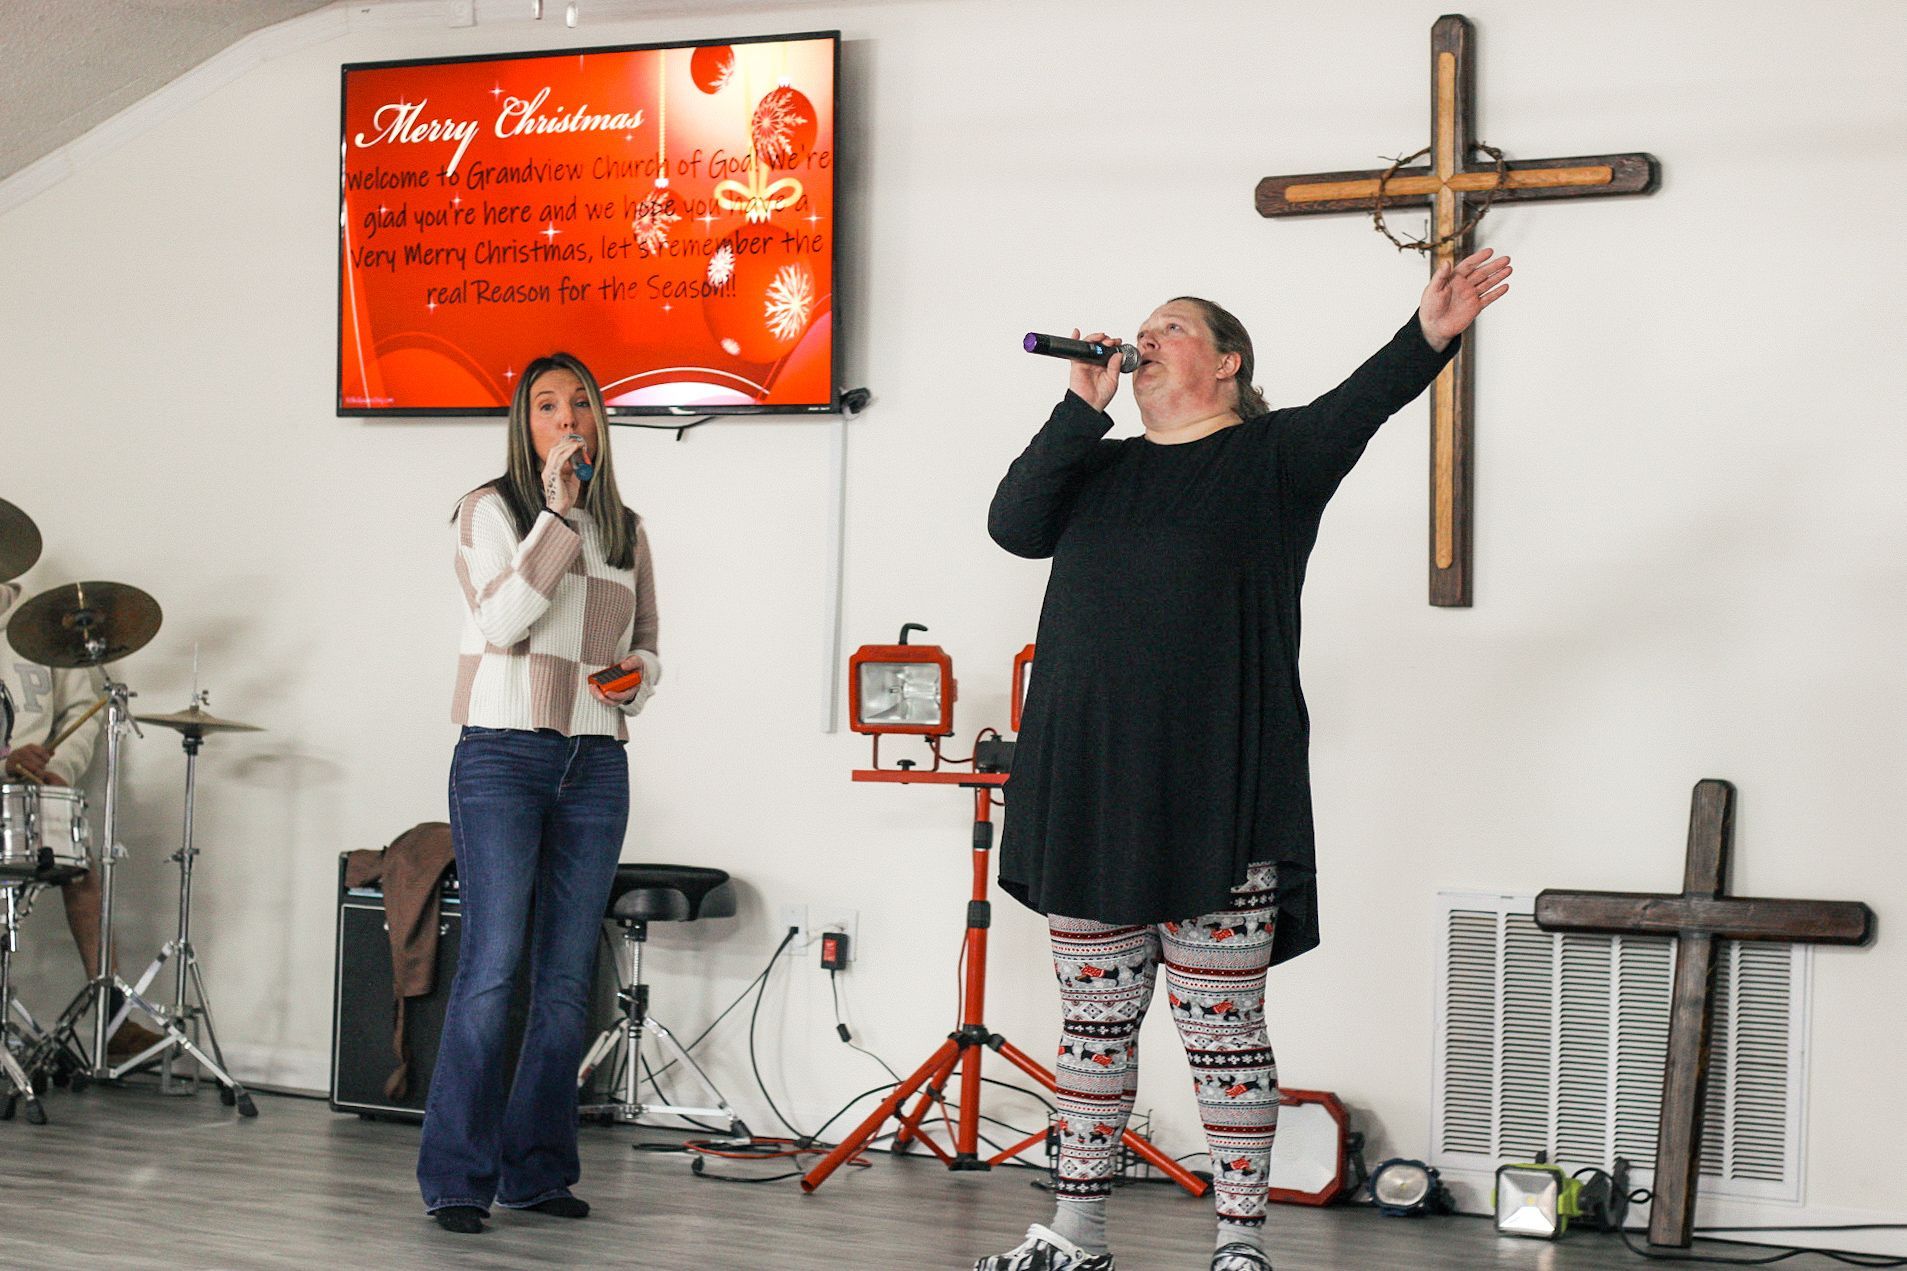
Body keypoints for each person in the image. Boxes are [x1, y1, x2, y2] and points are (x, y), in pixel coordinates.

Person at [979, 249, 1512, 1271]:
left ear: (1226, 361)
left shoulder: (1272, 457)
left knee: (1221, 1033)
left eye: (1166, 327)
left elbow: (1363, 402)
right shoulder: (1095, 465)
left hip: (1216, 795)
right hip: (1089, 789)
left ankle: (1237, 1244)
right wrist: (1077, 402)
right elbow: (1012, 525)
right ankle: (1075, 1233)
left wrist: (1430, 332)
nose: (1142, 342)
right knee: (1092, 1031)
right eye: (1138, 330)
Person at [416, 353, 660, 1235]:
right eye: (546, 405)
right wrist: (555, 515)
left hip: (595, 761)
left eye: (580, 406)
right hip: (502, 755)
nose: (565, 419)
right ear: (525, 423)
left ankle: (537, 1169)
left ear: (598, 423)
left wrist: (637, 678)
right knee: (492, 971)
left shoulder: (625, 527)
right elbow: (501, 623)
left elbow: (650, 646)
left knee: (564, 979)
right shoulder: (491, 509)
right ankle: (455, 1177)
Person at [0, 579, 164, 1061]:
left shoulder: (41, 626)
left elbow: (83, 713)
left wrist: (56, 769)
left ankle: (113, 1021)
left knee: (84, 873)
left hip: (36, 789)